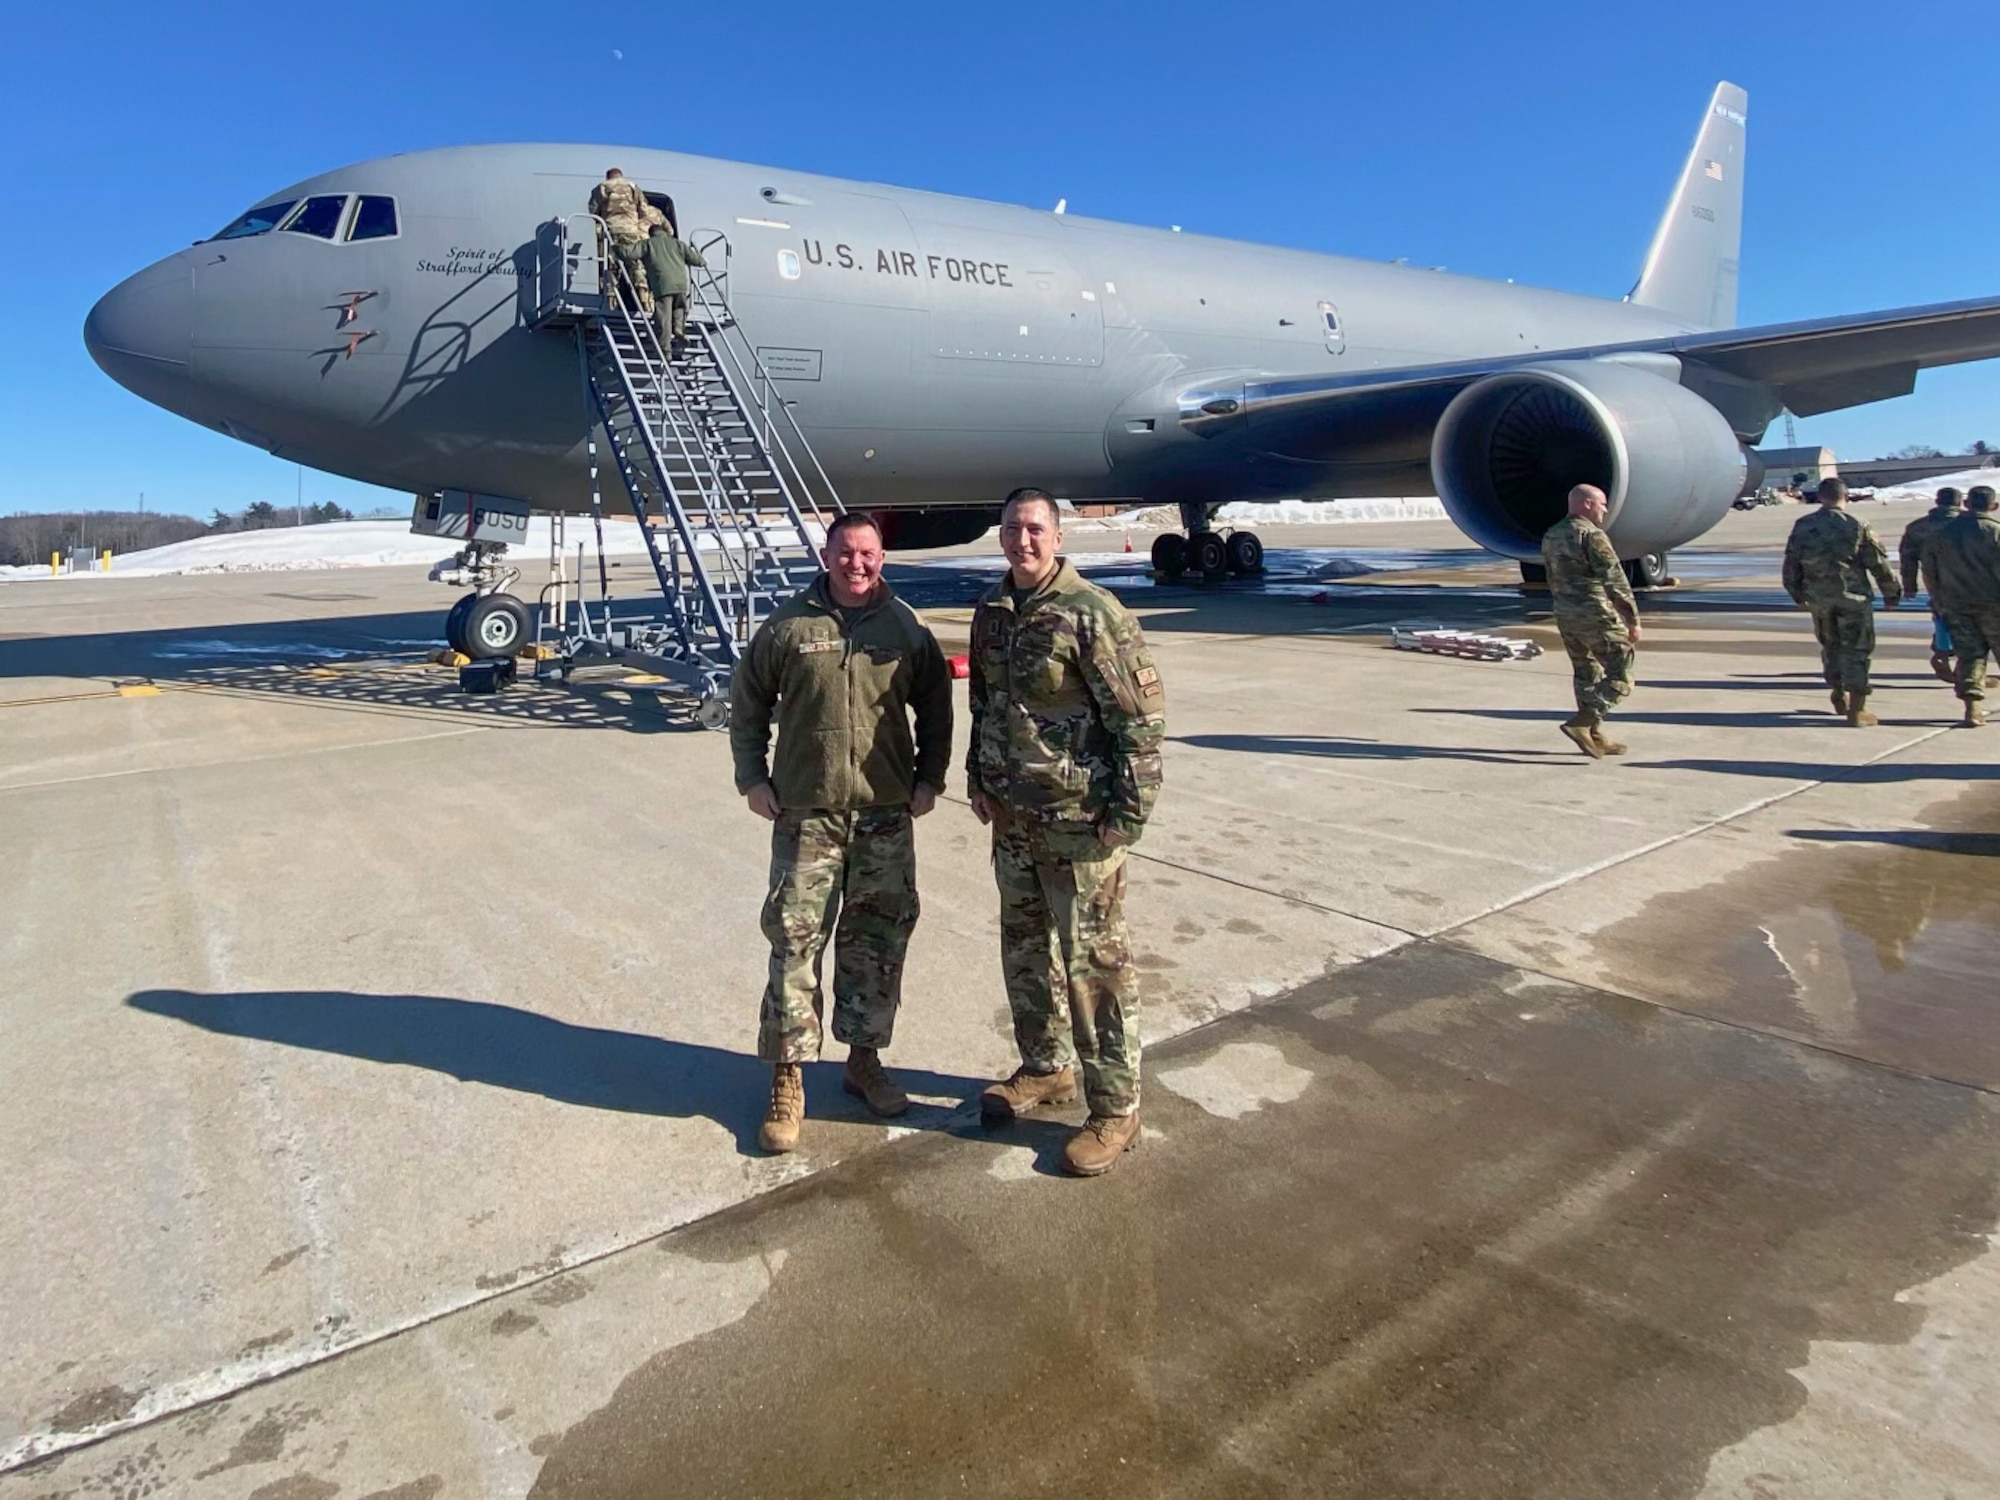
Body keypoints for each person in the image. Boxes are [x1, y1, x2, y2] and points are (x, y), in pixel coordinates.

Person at [728, 513, 953, 1153]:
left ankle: (863, 1060)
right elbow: (748, 703)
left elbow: (936, 707)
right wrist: (752, 777)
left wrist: (929, 777)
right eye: (846, 553)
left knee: (876, 942)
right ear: (826, 556)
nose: (858, 564)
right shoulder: (788, 625)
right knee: (796, 942)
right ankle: (788, 1076)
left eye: (869, 553)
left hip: (884, 815)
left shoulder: (905, 627)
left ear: (882, 557)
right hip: (807, 814)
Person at [967, 488, 1165, 1177]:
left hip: (1081, 824)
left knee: (1095, 967)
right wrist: (977, 775)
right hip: (1014, 818)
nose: (1023, 540)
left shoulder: (1092, 614)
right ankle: (1045, 1068)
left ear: (1057, 536)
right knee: (1024, 951)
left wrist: (1126, 818)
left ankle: (1117, 1107)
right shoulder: (993, 611)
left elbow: (1138, 725)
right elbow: (986, 702)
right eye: (1013, 529)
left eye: (1035, 529)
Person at [1782, 476, 1901, 725]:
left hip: (1820, 599)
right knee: (1857, 650)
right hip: (1853, 599)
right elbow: (1878, 563)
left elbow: (1792, 563)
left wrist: (1796, 593)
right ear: (1845, 496)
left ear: (1820, 497)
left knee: (1830, 646)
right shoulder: (1857, 524)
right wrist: (1891, 593)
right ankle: (1858, 709)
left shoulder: (1803, 525)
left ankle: (1838, 693)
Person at [1539, 483, 1642, 757]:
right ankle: (1583, 722)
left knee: (1586, 672)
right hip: (1594, 612)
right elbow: (1615, 580)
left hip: (1565, 613)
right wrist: (1632, 619)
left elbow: (1551, 576)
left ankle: (1594, 734)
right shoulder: (1591, 535)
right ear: (1586, 504)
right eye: (1601, 504)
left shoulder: (1552, 535)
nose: (1605, 510)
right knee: (1622, 673)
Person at [1920, 484, 2000, 727]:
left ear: (1966, 504)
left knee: (1969, 656)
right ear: (1994, 506)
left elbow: (1930, 571)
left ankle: (1972, 708)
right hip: (1993, 605)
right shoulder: (1995, 532)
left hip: (1956, 604)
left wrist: (1938, 599)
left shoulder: (1942, 534)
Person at [1899, 486, 1964, 683]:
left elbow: (1908, 559)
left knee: (1942, 618)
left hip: (1936, 583)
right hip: (1971, 582)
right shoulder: (1969, 524)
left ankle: (1942, 656)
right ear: (1960, 503)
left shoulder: (1918, 527)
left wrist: (1909, 586)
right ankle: (1966, 671)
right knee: (1972, 625)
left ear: (1937, 502)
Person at [639, 221, 708, 357]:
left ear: (651, 234)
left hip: (663, 287)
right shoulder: (678, 244)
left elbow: (631, 253)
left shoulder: (649, 244)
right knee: (680, 309)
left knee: (664, 319)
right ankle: (679, 329)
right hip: (681, 286)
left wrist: (616, 249)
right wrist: (704, 261)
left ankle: (665, 351)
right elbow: (696, 259)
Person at [587, 168, 652, 313]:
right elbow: (644, 210)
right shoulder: (633, 186)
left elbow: (593, 211)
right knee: (636, 264)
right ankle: (644, 299)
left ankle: (611, 302)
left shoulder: (602, 187)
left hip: (610, 230)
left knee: (610, 266)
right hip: (631, 231)